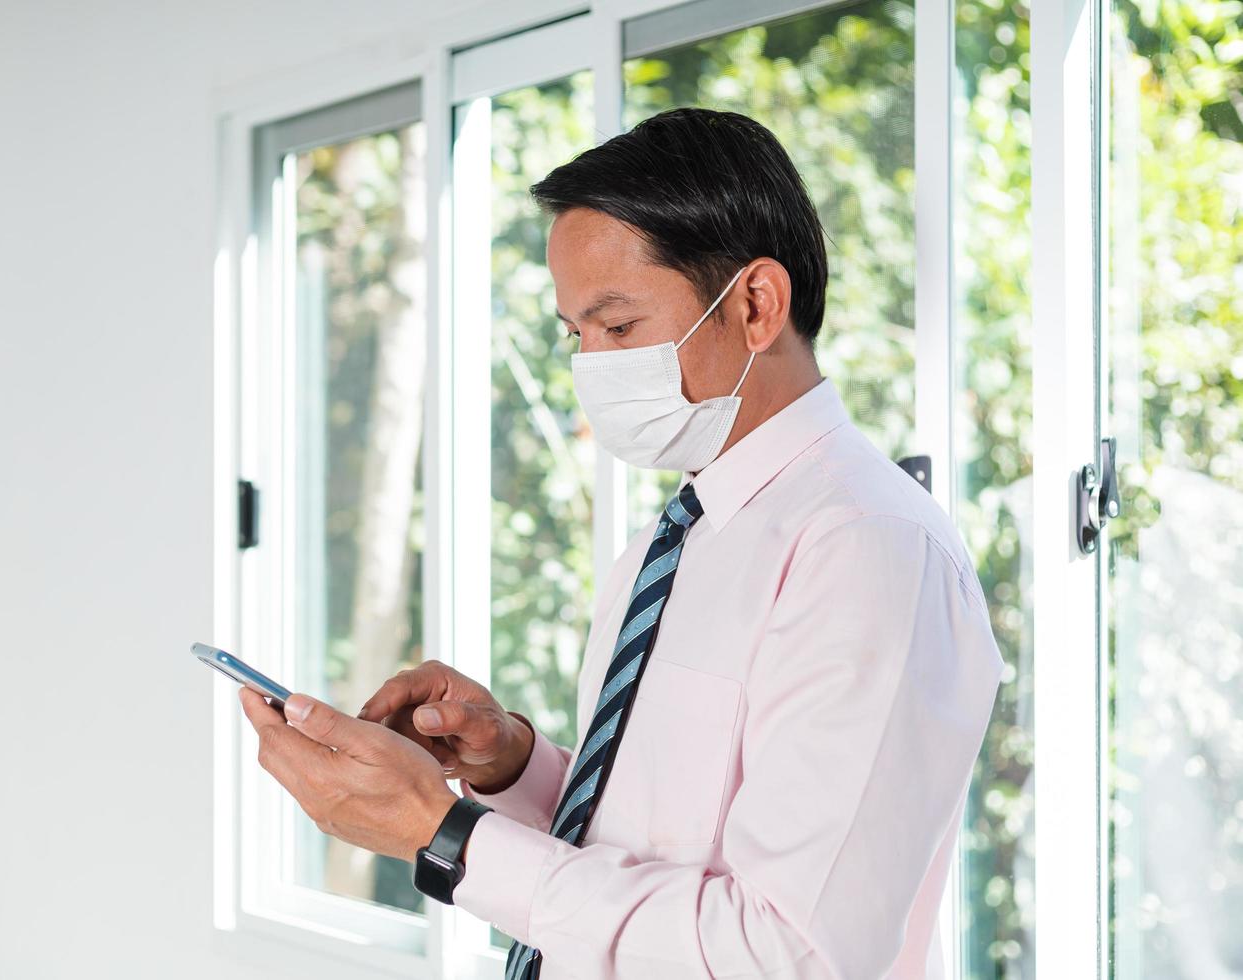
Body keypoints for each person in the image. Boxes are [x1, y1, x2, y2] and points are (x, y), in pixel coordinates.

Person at [238, 107, 1003, 979]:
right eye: (575, 335)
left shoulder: (869, 551)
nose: (590, 368)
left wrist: (443, 834)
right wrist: (512, 768)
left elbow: (786, 952)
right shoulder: (681, 532)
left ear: (756, 304)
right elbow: (659, 844)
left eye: (618, 327)